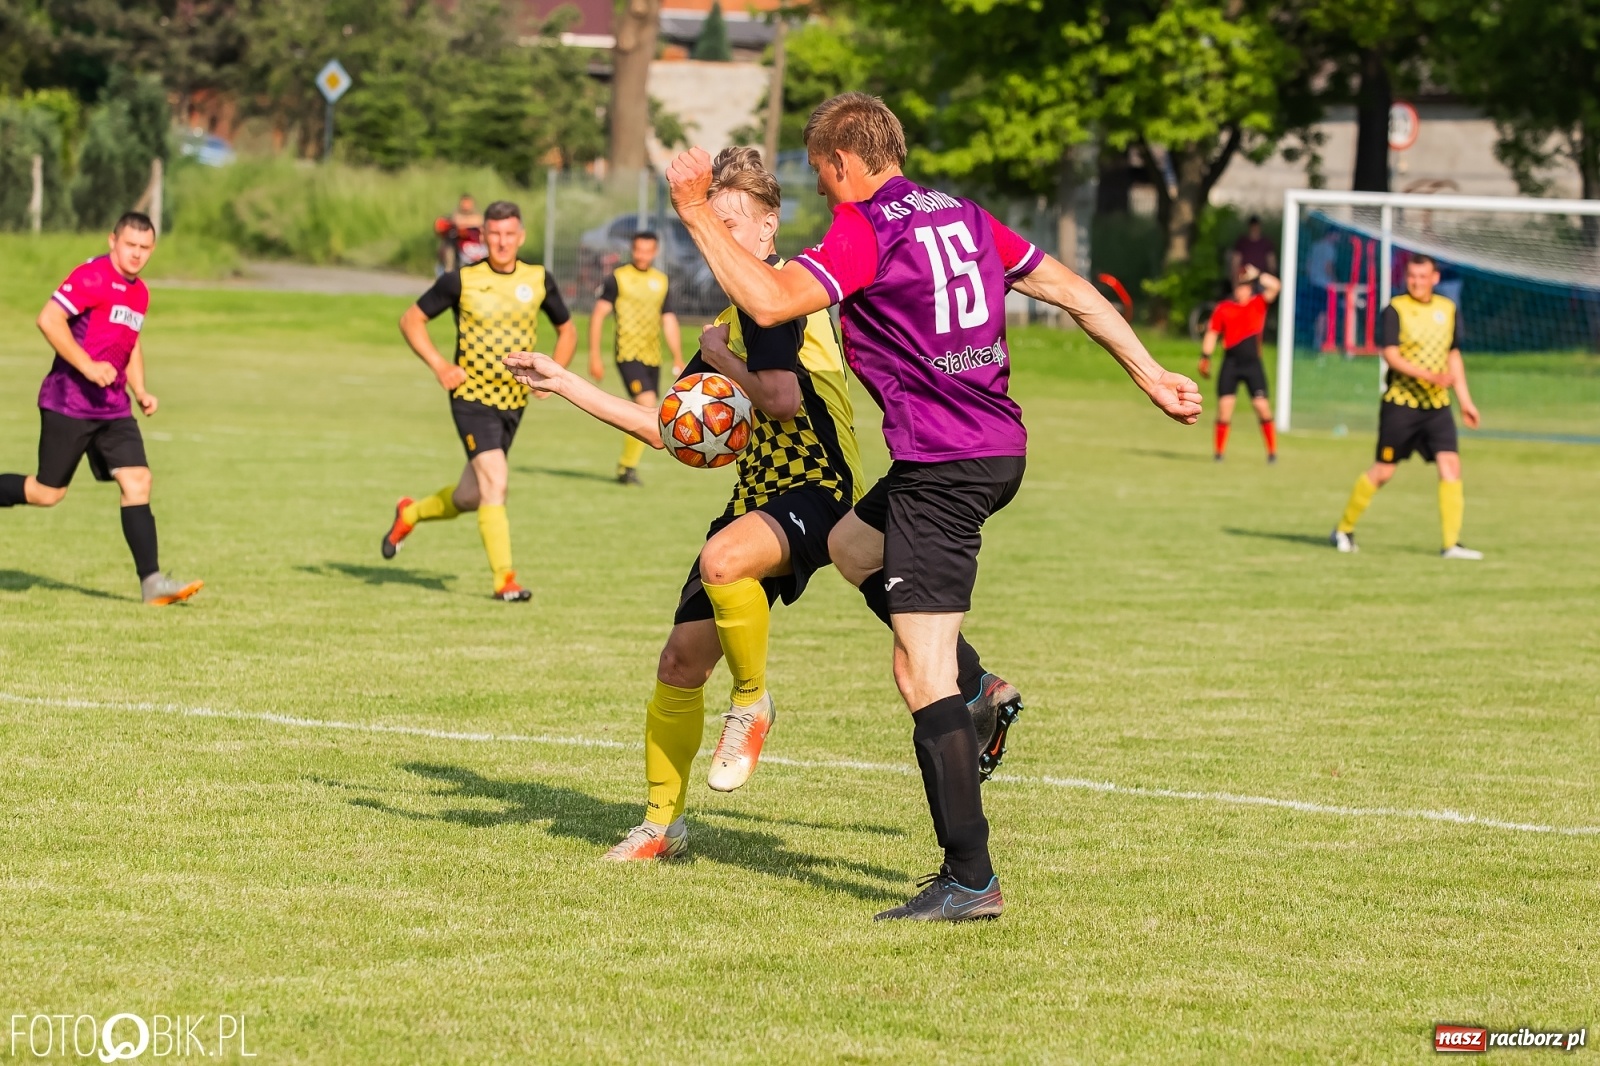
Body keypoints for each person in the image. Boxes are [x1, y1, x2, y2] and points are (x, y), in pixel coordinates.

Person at [666, 93, 1200, 922]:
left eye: (820, 170)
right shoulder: (965, 214)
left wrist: (697, 210)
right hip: (990, 448)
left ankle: (970, 878)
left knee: (918, 670)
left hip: (944, 465)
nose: (823, 186)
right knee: (850, 547)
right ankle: (980, 685)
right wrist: (1149, 371)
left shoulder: (867, 224)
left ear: (844, 161)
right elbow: (1074, 290)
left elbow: (768, 303)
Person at [0, 212, 203, 605]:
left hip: (112, 408)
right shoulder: (91, 276)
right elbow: (48, 319)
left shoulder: (140, 292)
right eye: (130, 245)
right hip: (69, 402)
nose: (137, 254)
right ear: (113, 241)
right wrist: (88, 366)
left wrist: (140, 388)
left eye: (145, 248)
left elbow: (130, 342)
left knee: (138, 481)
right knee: (47, 493)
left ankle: (152, 584)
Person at [380, 200, 578, 600]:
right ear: (483, 237)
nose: (502, 242)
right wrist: (439, 366)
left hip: (513, 402)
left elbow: (567, 329)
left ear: (520, 237)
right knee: (496, 483)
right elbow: (411, 320)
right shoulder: (460, 280)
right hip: (471, 399)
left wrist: (552, 376)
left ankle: (410, 512)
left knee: (472, 495)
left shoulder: (538, 279)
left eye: (509, 234)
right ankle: (505, 580)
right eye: (494, 234)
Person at [1330, 254, 1482, 559]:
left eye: (1423, 276)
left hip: (1437, 406)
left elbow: (1453, 356)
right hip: (1401, 404)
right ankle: (1343, 529)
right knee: (1383, 472)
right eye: (1412, 276)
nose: (1417, 282)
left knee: (1451, 466)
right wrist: (1429, 375)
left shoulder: (1447, 309)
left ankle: (1451, 544)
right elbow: (1391, 355)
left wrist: (1465, 400)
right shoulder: (1396, 309)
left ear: (1434, 279)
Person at [587, 231, 684, 484]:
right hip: (628, 354)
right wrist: (595, 356)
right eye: (637, 250)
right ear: (632, 249)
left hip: (653, 357)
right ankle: (627, 468)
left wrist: (677, 357)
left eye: (647, 250)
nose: (641, 255)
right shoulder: (618, 279)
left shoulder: (661, 281)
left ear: (655, 252)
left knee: (650, 410)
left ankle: (625, 466)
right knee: (646, 403)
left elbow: (669, 320)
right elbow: (598, 316)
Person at [1200, 265, 1281, 462]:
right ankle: (1219, 453)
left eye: (1245, 285)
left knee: (1262, 407)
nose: (1241, 289)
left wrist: (1259, 274)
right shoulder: (1224, 308)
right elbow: (1212, 333)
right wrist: (1205, 356)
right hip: (1231, 364)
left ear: (1251, 287)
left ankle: (1272, 453)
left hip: (1253, 364)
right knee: (1224, 408)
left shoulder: (1258, 303)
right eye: (1239, 285)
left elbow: (1276, 286)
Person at [435, 194, 487, 276]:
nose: (466, 206)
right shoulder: (456, 214)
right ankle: (449, 270)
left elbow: (480, 220)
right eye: (464, 203)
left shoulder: (478, 215)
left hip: (475, 245)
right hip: (458, 243)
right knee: (448, 246)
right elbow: (455, 221)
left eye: (468, 203)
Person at [1229, 214, 1277, 279]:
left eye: (1256, 226)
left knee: (1276, 285)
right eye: (1253, 226)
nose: (1255, 228)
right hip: (1245, 277)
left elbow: (1272, 264)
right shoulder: (1242, 243)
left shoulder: (1266, 243)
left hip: (1262, 278)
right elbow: (1235, 264)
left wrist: (1264, 275)